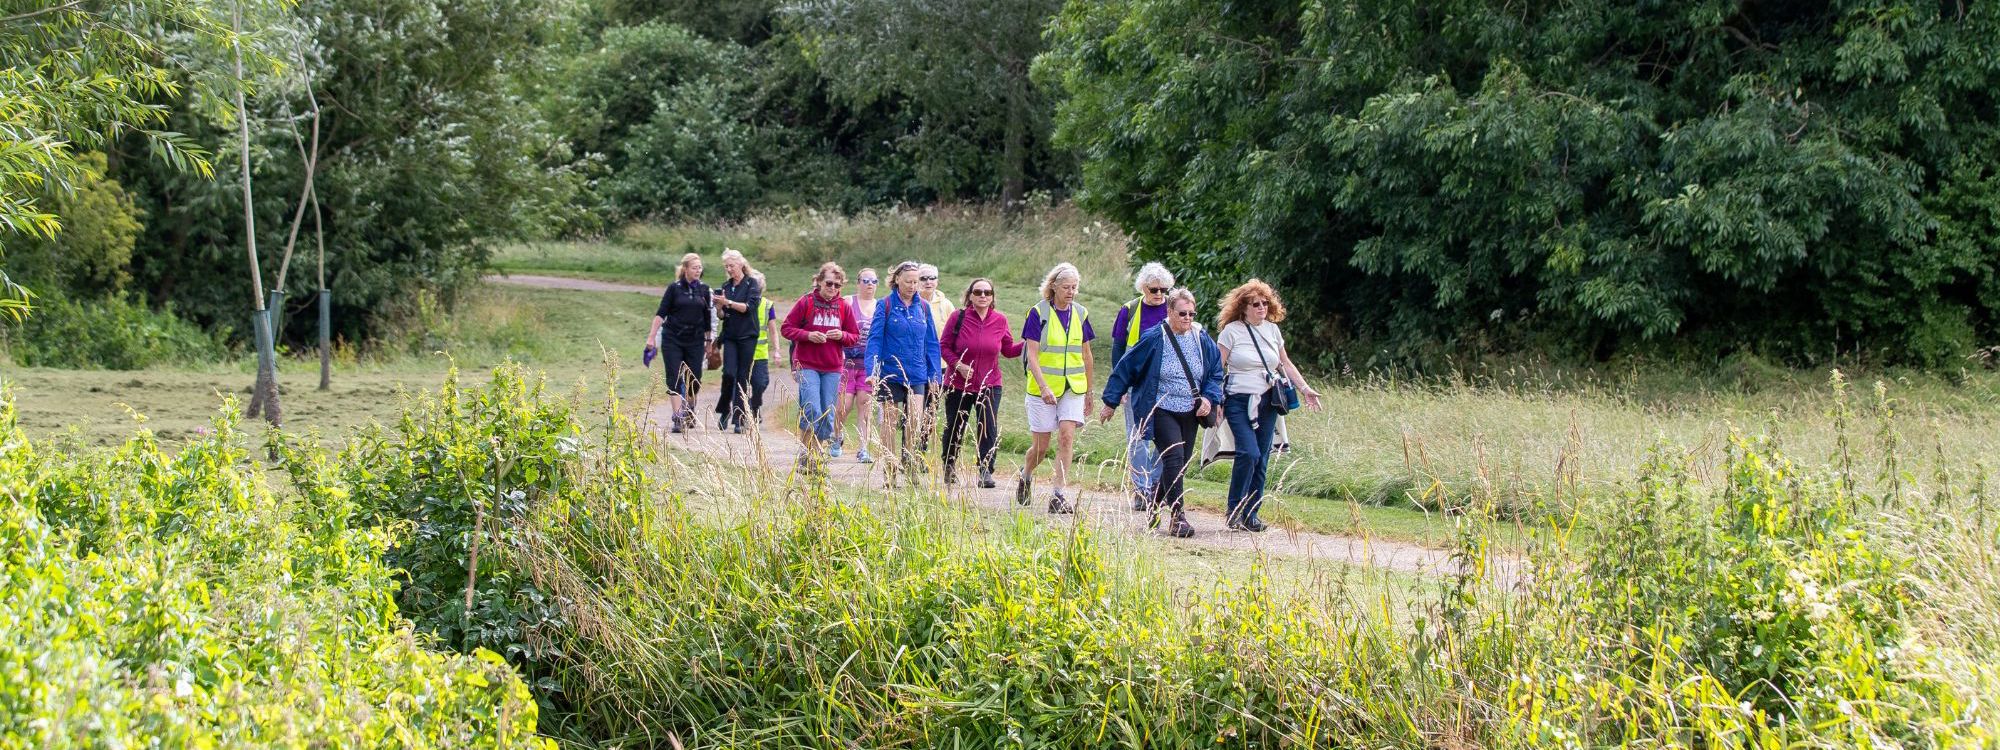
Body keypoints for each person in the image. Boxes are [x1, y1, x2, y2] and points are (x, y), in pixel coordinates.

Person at [1099, 288, 1224, 538]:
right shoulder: (1155, 337)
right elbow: (1127, 367)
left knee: (1179, 464)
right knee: (1174, 457)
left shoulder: (1201, 337)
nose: (1187, 318)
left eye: (1191, 313)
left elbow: (1214, 372)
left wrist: (1209, 397)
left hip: (1190, 410)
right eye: (1182, 313)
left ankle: (1154, 505)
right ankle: (1178, 517)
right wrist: (1111, 401)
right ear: (1169, 312)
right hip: (1161, 408)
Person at [1214, 279, 1323, 531]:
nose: (1262, 307)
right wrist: (1216, 399)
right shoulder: (1231, 332)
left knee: (1261, 458)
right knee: (1248, 453)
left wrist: (1304, 388)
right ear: (1243, 307)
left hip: (1268, 400)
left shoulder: (1273, 330)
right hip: (1239, 399)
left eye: (1265, 303)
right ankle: (1234, 508)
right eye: (1256, 304)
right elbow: (1217, 368)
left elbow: (1284, 363)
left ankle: (1251, 515)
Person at [1018, 262, 1095, 514]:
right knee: (1041, 448)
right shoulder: (1038, 313)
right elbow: (1032, 355)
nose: (1071, 292)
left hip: (1073, 387)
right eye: (1066, 287)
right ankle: (1026, 473)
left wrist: (1090, 392)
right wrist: (1043, 387)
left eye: (1074, 287)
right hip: (1043, 388)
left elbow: (1086, 355)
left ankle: (1058, 494)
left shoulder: (1081, 313)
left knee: (1066, 436)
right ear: (1053, 287)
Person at [938, 278, 1023, 488]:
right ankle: (949, 465)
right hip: (958, 384)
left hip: (990, 383)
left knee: (988, 428)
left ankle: (985, 470)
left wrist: (1030, 342)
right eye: (978, 292)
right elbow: (944, 346)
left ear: (993, 296)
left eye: (987, 292)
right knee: (955, 426)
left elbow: (1008, 350)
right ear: (970, 295)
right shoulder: (958, 317)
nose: (983, 296)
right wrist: (958, 365)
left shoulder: (1000, 320)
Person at [1109, 262, 1176, 511]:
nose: (1159, 294)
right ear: (1143, 288)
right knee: (1137, 436)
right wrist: (1121, 386)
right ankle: (1141, 488)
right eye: (1153, 289)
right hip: (1136, 383)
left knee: (1164, 436)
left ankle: (1156, 483)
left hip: (1167, 383)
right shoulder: (1129, 310)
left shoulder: (1173, 307)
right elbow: (1118, 350)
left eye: (1163, 289)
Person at [865, 261, 941, 477]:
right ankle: (889, 469)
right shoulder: (885, 305)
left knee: (915, 420)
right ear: (897, 279)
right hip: (890, 372)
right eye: (908, 281)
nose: (912, 286)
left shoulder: (923, 308)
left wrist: (934, 375)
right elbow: (875, 339)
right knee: (889, 421)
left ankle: (909, 462)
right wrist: (872, 370)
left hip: (917, 373)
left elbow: (932, 343)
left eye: (916, 282)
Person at [781, 263, 859, 469]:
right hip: (807, 365)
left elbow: (854, 336)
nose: (833, 288)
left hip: (832, 367)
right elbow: (786, 328)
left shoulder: (844, 306)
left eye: (837, 285)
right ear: (819, 282)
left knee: (827, 413)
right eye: (829, 284)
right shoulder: (806, 302)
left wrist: (842, 335)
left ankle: (814, 456)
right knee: (812, 409)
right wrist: (807, 335)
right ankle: (806, 453)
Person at [647, 253, 712, 434]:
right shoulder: (674, 289)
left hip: (696, 340)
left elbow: (707, 318)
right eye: (694, 267)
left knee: (695, 379)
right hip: (673, 339)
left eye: (700, 268)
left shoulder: (704, 290)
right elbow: (661, 313)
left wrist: (708, 341)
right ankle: (677, 417)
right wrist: (651, 337)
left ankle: (690, 406)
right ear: (685, 269)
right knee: (674, 377)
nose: (698, 271)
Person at [712, 249, 763, 434]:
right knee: (729, 374)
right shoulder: (726, 285)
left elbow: (749, 308)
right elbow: (722, 315)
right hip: (731, 336)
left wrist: (728, 303)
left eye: (731, 265)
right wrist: (719, 307)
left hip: (748, 336)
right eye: (726, 266)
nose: (729, 269)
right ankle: (724, 410)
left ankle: (739, 417)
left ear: (741, 264)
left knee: (742, 376)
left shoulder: (752, 284)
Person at [835, 268, 879, 463]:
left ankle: (863, 448)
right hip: (846, 362)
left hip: (868, 365)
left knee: (865, 405)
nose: (870, 284)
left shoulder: (880, 306)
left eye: (874, 281)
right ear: (858, 282)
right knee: (843, 405)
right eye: (866, 280)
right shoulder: (848, 301)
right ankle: (836, 437)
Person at [915, 263, 954, 451]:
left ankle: (920, 448)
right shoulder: (911, 302)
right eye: (923, 278)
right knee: (913, 409)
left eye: (932, 278)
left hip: (939, 366)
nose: (928, 282)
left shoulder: (946, 305)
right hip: (913, 364)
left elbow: (954, 333)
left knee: (930, 409)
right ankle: (909, 447)